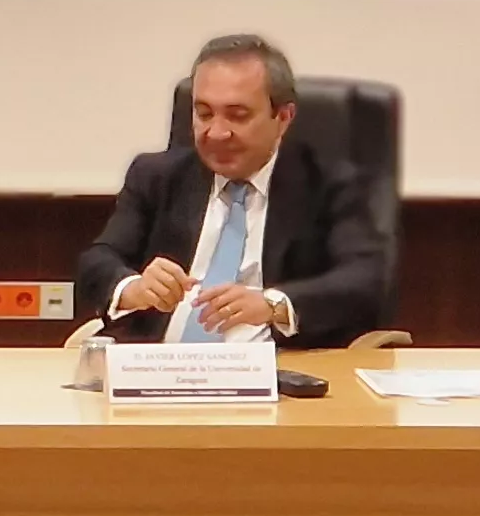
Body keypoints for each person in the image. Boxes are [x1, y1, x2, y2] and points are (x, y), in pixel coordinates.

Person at [77, 32, 388, 347]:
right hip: (160, 371)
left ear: (282, 118)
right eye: (204, 114)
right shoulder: (156, 176)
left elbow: (364, 279)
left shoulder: (330, 184)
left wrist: (273, 305)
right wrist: (133, 287)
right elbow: (98, 260)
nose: (217, 132)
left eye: (237, 116)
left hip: (278, 378)